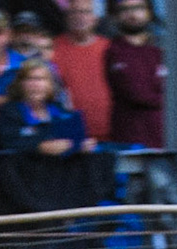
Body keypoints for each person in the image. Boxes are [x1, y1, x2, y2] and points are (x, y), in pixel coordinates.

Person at [106, 0, 167, 149]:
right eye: (125, 9)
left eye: (138, 8)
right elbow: (137, 94)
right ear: (116, 16)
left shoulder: (162, 49)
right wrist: (171, 99)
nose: (133, 14)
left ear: (149, 12)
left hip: (166, 138)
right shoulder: (114, 52)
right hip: (130, 140)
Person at [51, 0, 114, 138]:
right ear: (66, 17)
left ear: (96, 18)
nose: (79, 16)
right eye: (73, 12)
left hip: (110, 130)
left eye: (85, 12)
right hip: (68, 134)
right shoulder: (53, 48)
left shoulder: (110, 48)